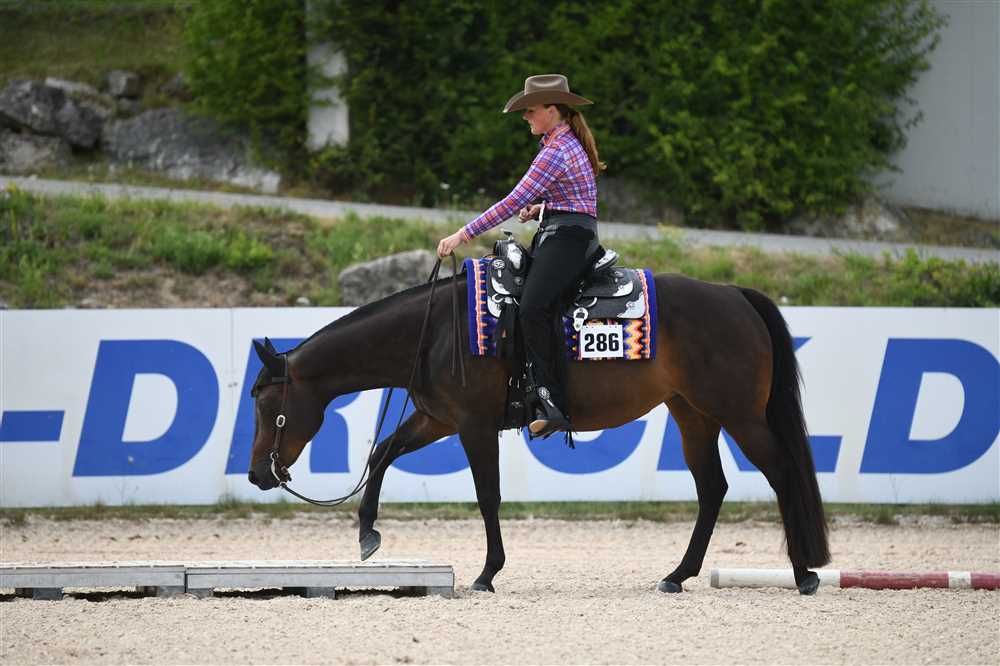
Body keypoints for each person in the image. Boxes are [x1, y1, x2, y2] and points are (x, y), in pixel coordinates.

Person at [437, 74, 606, 437]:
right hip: (567, 233)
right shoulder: (562, 143)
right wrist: (543, 209)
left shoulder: (556, 151)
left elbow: (512, 201)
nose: (526, 117)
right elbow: (577, 199)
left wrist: (463, 234)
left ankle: (550, 399)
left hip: (569, 239)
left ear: (552, 109)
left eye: (531, 110)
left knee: (532, 307)